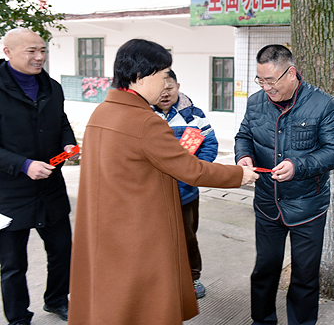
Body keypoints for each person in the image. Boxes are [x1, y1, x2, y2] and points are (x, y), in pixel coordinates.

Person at [68, 39, 258, 325]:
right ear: (141, 76)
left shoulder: (102, 112)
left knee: (112, 300)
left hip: (107, 226)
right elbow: (191, 170)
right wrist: (239, 176)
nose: (167, 83)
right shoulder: (145, 122)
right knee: (147, 306)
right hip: (140, 231)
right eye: (163, 74)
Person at [235, 44, 334, 325]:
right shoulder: (256, 102)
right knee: (264, 270)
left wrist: (298, 166)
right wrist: (243, 156)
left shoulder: (323, 104)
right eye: (260, 80)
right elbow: (244, 136)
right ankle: (262, 320)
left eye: (271, 80)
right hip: (267, 203)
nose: (266, 88)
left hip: (308, 206)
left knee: (305, 276)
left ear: (292, 73)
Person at [0, 28, 78, 325]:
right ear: (7, 52)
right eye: (31, 51)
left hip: (50, 188)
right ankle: (18, 318)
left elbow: (61, 122)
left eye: (43, 50)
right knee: (12, 264)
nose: (39, 57)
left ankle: (57, 299)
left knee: (62, 250)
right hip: (8, 193)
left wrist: (67, 144)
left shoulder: (52, 87)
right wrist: (23, 165)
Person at [153, 69, 217, 299]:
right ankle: (161, 280)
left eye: (169, 88)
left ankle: (192, 277)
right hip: (153, 195)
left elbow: (210, 144)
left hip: (186, 192)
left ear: (177, 87)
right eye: (159, 89)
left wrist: (195, 171)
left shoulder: (194, 115)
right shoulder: (144, 115)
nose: (164, 93)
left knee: (187, 236)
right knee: (156, 238)